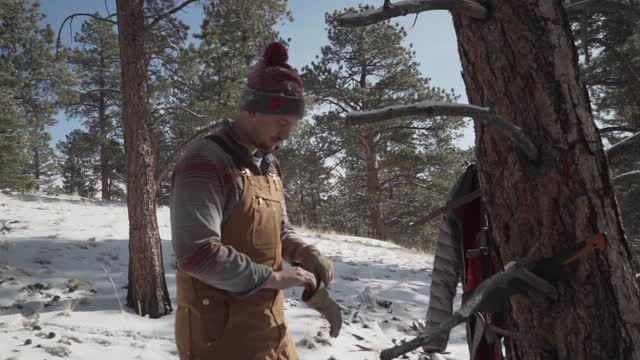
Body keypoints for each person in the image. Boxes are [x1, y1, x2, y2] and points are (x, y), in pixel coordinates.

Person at [170, 42, 335, 360]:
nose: (287, 134)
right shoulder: (205, 162)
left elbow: (280, 231)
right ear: (252, 110)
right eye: (281, 122)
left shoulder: (269, 165)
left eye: (293, 124)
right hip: (218, 336)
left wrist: (305, 253)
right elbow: (196, 253)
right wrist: (274, 278)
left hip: (269, 326)